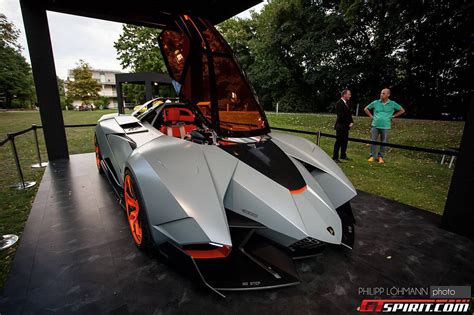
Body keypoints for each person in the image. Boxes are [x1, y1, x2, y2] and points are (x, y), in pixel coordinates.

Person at [364, 88, 405, 164]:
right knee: (373, 141)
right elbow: (366, 108)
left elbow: (402, 110)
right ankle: (372, 156)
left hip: (385, 126)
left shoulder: (392, 103)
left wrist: (393, 116)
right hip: (375, 125)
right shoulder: (376, 102)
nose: (381, 94)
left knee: (384, 142)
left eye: (383, 93)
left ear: (388, 95)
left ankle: (380, 157)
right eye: (381, 93)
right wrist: (371, 116)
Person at [332, 89, 354, 162]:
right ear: (344, 95)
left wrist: (351, 121)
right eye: (349, 94)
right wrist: (349, 123)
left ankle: (343, 155)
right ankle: (335, 157)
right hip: (340, 126)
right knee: (338, 142)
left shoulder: (346, 103)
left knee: (345, 141)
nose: (350, 96)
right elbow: (341, 115)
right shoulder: (339, 103)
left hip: (345, 127)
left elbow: (348, 114)